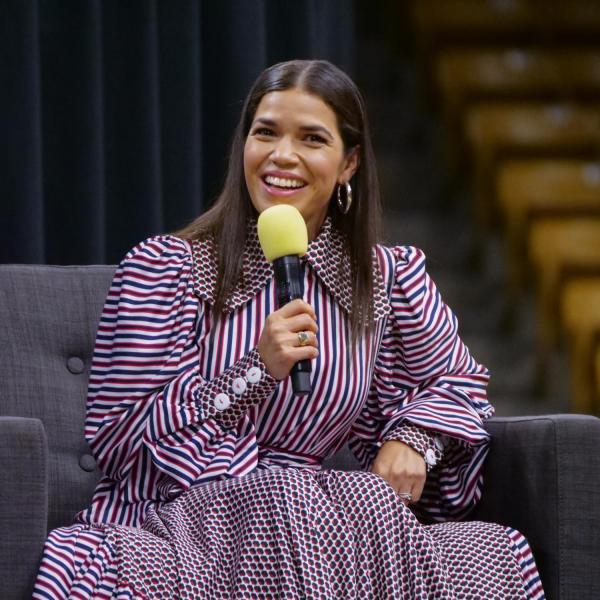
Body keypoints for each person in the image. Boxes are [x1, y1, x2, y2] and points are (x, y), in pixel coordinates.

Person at [33, 59, 544, 599]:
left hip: (314, 523)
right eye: (266, 133)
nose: (282, 155)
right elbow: (121, 430)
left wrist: (412, 438)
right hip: (174, 516)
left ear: (348, 164)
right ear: (244, 148)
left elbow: (458, 384)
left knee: (491, 551)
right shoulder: (166, 267)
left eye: (312, 139)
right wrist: (254, 370)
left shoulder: (386, 279)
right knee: (283, 498)